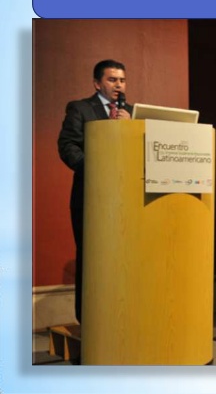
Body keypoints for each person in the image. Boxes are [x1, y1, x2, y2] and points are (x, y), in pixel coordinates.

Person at [57, 59, 133, 323]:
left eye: (122, 80)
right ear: (97, 83)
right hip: (90, 197)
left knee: (123, 258)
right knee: (92, 259)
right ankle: (89, 321)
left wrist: (131, 125)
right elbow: (67, 146)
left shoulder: (132, 113)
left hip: (126, 198)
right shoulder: (80, 108)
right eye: (112, 80)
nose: (118, 85)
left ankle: (120, 318)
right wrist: (95, 169)